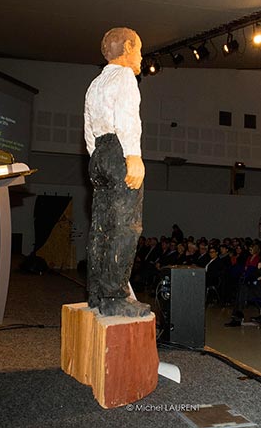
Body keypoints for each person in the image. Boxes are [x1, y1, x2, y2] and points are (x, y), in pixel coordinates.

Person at [83, 27, 150, 317]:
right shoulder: (124, 76)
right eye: (139, 50)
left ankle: (96, 292)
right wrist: (132, 155)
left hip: (98, 153)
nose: (141, 56)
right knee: (126, 225)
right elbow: (126, 117)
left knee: (101, 227)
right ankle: (115, 295)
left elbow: (88, 128)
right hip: (118, 149)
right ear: (127, 46)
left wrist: (97, 158)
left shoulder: (95, 83)